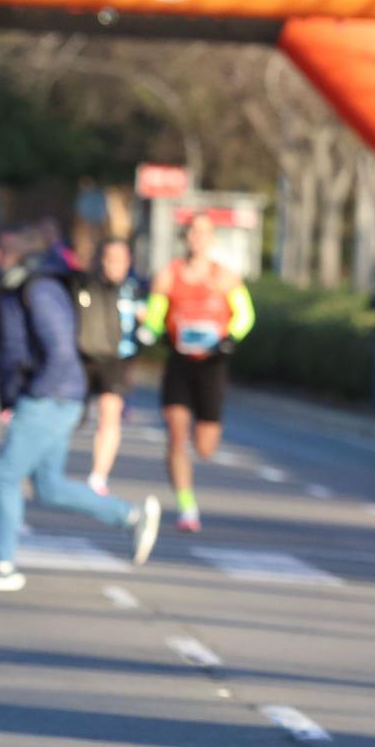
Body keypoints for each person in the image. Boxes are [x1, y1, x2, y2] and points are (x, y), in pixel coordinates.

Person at [0, 230, 160, 592]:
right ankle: (131, 516)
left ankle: (2, 564)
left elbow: (61, 350)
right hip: (55, 395)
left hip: (51, 396)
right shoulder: (18, 290)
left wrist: (34, 393)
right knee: (49, 486)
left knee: (5, 474)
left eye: (5, 253)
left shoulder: (41, 289)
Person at [147, 213, 255, 531]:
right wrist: (159, 332)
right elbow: (155, 315)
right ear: (186, 238)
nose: (198, 238)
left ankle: (199, 451)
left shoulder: (226, 277)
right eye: (193, 232)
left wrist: (229, 339)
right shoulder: (168, 275)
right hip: (179, 363)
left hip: (212, 364)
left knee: (205, 447)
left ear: (212, 240)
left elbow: (245, 315)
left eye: (204, 233)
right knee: (176, 436)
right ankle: (187, 507)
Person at [82, 237, 148, 495]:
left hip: (119, 359)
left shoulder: (137, 288)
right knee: (73, 415)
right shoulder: (88, 285)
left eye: (120, 260)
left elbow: (151, 319)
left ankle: (98, 476)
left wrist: (148, 327)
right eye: (109, 259)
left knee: (110, 415)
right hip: (87, 358)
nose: (114, 265)